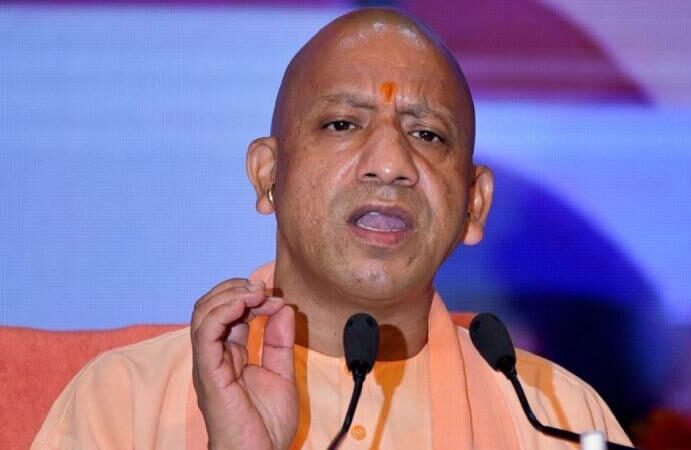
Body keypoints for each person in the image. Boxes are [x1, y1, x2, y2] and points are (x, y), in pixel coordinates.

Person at [33, 8, 634, 450]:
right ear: (268, 175)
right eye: (343, 124)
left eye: (427, 134)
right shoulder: (125, 401)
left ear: (474, 206)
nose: (390, 164)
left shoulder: (560, 418)